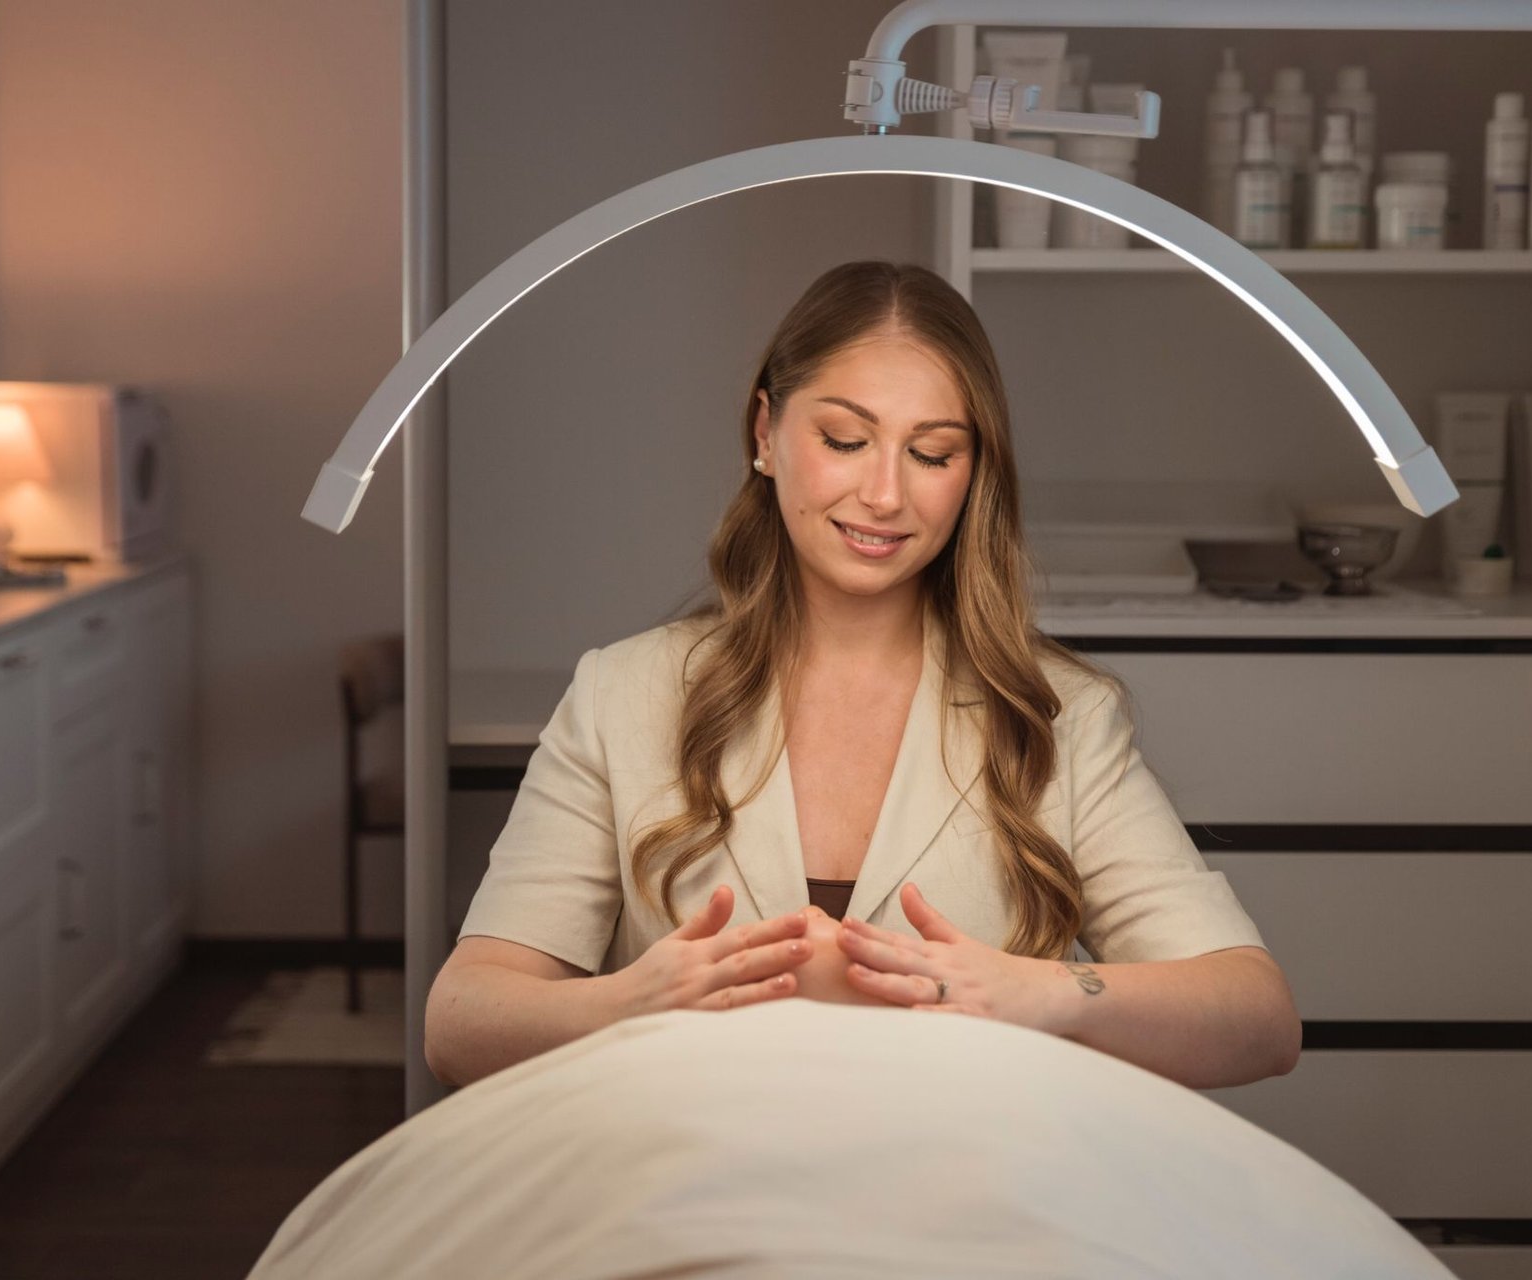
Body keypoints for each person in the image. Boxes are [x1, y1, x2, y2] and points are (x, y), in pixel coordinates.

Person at [426, 259, 1299, 1090]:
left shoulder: (1058, 714)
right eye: (845, 439)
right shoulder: (623, 696)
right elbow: (461, 1021)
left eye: (932, 454)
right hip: (687, 1202)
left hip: (962, 1213)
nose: (886, 494)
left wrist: (1035, 996)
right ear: (765, 433)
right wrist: (630, 1004)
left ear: (973, 475)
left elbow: (1257, 1017)